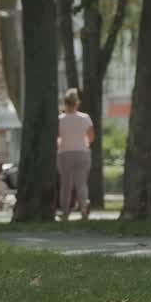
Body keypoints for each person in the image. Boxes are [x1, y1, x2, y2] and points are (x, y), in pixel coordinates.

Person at [56, 88, 94, 221]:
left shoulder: (60, 119)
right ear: (77, 103)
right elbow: (91, 136)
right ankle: (83, 209)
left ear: (65, 103)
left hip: (64, 153)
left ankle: (65, 212)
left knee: (66, 185)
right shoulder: (85, 118)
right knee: (81, 183)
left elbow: (57, 138)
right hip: (82, 153)